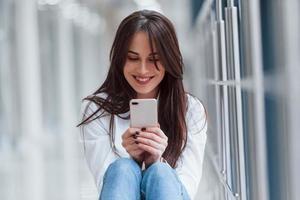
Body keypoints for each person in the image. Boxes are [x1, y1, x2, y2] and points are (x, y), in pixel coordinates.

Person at [77, 9, 207, 200]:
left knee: (161, 173)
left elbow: (187, 185)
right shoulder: (97, 110)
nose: (143, 70)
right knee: (122, 168)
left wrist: (156, 161)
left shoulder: (191, 109)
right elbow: (108, 184)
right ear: (120, 60)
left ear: (168, 60)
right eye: (133, 58)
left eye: (154, 59)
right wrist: (134, 161)